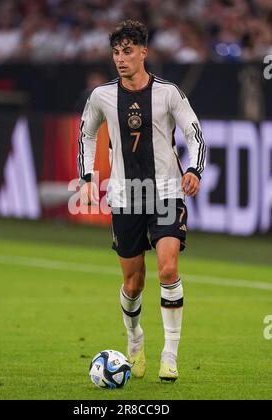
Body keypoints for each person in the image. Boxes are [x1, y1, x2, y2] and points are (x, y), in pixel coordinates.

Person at [77, 19, 206, 381]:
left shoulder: (168, 93)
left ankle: (170, 354)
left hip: (166, 192)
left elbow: (196, 135)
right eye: (116, 52)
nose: (120, 58)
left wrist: (194, 170)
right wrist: (88, 179)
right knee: (133, 284)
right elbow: (85, 135)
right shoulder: (102, 95)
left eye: (128, 51)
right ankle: (135, 342)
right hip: (125, 196)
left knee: (168, 269)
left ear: (144, 53)